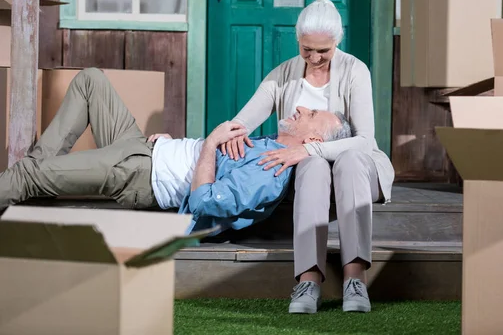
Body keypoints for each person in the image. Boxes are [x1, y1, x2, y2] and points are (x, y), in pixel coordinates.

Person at [0, 67, 351, 235]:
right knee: (91, 79)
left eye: (313, 114)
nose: (303, 108)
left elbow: (203, 202)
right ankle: (32, 170)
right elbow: (202, 157)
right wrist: (178, 143)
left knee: (30, 176)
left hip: (138, 175)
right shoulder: (269, 144)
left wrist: (211, 144)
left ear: (314, 142)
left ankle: (28, 175)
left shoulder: (269, 171)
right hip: (145, 147)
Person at [220, 0, 395, 314]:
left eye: (323, 51)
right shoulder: (283, 74)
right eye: (306, 49)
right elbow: (241, 123)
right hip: (309, 168)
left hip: (358, 166)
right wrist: (219, 139)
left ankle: (355, 279)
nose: (314, 57)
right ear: (298, 41)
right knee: (312, 165)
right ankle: (308, 280)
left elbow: (364, 141)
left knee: (348, 160)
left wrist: (310, 147)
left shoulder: (355, 70)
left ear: (337, 41)